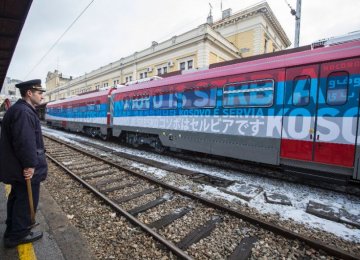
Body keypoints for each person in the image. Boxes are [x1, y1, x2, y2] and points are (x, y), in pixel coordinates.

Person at [0, 79, 48, 248]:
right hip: (23, 169)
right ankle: (17, 236)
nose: (42, 95)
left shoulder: (20, 110)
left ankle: (12, 231)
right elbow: (25, 142)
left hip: (16, 167)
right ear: (29, 93)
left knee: (17, 198)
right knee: (25, 202)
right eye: (39, 92)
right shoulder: (23, 112)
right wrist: (30, 166)